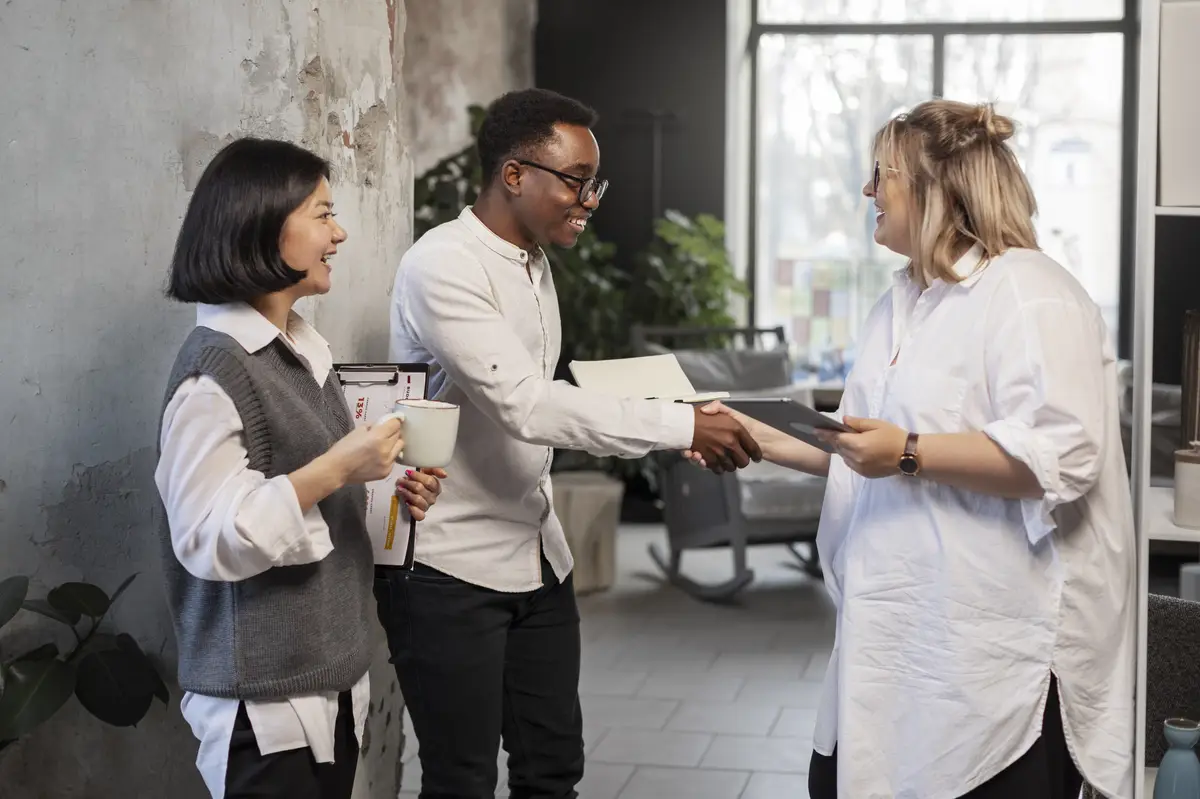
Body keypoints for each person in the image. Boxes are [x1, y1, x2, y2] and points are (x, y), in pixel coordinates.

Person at [689, 100, 1135, 799]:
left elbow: (1064, 454)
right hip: (891, 639)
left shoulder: (1030, 290)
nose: (867, 191)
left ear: (935, 186)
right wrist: (733, 428)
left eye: (879, 174)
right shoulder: (899, 302)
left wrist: (909, 452)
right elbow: (858, 443)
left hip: (986, 660)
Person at [381, 87, 761, 798]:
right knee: (460, 779)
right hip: (447, 567)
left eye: (596, 183)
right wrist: (680, 425)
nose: (589, 200)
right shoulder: (444, 265)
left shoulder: (533, 261)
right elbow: (526, 403)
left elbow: (542, 393)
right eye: (577, 181)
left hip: (536, 554)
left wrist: (672, 409)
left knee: (553, 769)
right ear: (515, 174)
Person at [154, 137, 444, 799]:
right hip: (264, 709)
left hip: (326, 682)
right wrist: (339, 466)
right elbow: (206, 535)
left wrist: (390, 489)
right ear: (261, 223)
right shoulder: (214, 373)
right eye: (322, 213)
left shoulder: (303, 350)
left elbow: (310, 498)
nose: (338, 232)